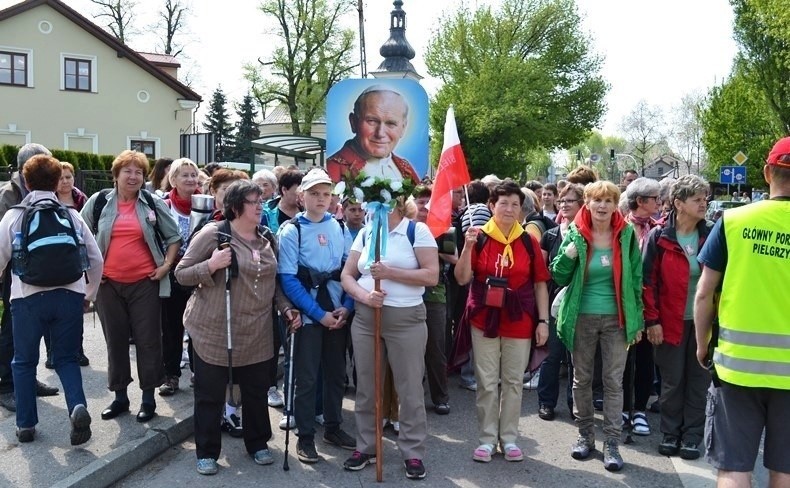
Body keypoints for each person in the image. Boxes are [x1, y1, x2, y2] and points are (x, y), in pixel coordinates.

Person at [175, 180, 300, 476]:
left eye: (261, 200)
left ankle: (257, 443)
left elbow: (275, 283)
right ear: (234, 207)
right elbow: (181, 274)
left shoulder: (268, 236)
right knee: (211, 393)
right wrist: (213, 265)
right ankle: (206, 451)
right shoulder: (213, 234)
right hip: (214, 329)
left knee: (256, 391)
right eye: (253, 202)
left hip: (256, 330)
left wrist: (286, 309)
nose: (260, 206)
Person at [694, 137, 790, 488]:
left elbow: (704, 293)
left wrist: (703, 344)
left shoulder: (733, 221)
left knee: (733, 469)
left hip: (737, 367)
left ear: (767, 172)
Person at [0, 154, 103, 444]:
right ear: (58, 181)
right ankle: (77, 406)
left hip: (27, 298)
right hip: (69, 296)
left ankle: (26, 425)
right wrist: (89, 293)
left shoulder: (15, 215)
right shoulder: (70, 214)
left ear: (26, 180)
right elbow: (95, 258)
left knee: (23, 362)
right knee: (67, 359)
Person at [340, 194, 439, 480]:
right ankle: (367, 446)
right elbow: (347, 275)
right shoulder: (367, 231)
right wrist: (365, 296)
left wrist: (390, 273)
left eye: (381, 201)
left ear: (397, 202)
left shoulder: (415, 230)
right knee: (367, 386)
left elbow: (431, 275)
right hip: (366, 318)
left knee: (409, 388)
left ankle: (413, 452)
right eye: (371, 202)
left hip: (405, 320)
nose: (374, 208)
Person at [81, 150, 181, 424]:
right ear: (116, 175)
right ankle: (120, 398)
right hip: (108, 284)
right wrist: (90, 269)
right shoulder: (99, 201)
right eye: (128, 171)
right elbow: (80, 235)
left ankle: (148, 399)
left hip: (144, 283)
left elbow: (174, 237)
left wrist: (166, 266)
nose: (134, 176)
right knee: (115, 340)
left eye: (139, 172)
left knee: (149, 340)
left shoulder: (150, 202)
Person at [454, 180, 549, 464]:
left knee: (513, 382)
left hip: (519, 319)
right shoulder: (478, 236)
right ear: (491, 206)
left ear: (522, 209)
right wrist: (467, 247)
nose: (509, 209)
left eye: (515, 204)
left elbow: (540, 284)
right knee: (485, 381)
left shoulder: (528, 240)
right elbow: (461, 278)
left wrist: (543, 321)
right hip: (484, 317)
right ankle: (486, 439)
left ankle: (508, 439)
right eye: (503, 203)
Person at [551, 180, 643, 472]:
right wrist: (568, 256)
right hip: (582, 316)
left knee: (614, 381)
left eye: (608, 200)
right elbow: (558, 275)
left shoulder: (626, 235)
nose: (602, 206)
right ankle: (585, 436)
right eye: (597, 200)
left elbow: (637, 281)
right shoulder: (577, 233)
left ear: (616, 205)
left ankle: (612, 443)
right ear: (587, 204)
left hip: (617, 319)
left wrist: (638, 320)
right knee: (582, 379)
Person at [277, 168, 356, 463]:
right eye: (314, 193)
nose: (321, 199)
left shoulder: (340, 227)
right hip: (311, 316)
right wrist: (318, 314)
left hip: (337, 313)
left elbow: (350, 270)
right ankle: (306, 436)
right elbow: (288, 279)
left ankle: (333, 426)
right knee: (306, 378)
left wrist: (346, 307)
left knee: (336, 374)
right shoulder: (291, 231)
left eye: (326, 193)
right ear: (301, 196)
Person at [641, 175, 711, 460]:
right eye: (697, 199)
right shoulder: (659, 236)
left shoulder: (713, 234)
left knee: (698, 381)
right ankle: (670, 433)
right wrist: (651, 320)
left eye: (705, 198)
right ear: (678, 203)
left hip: (703, 323)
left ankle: (692, 437)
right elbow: (647, 282)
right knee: (672, 382)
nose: (703, 203)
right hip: (668, 322)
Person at [0, 143, 60, 413]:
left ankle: (26, 379)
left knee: (31, 331)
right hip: (13, 273)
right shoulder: (8, 195)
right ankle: (7, 386)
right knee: (12, 329)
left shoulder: (41, 191)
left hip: (38, 272)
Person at [537, 183, 585, 420]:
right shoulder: (551, 235)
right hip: (555, 303)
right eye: (562, 200)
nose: (564, 205)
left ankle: (575, 405)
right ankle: (546, 402)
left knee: (576, 358)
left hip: (581, 303)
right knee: (552, 355)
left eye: (570, 201)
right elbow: (541, 273)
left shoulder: (589, 236)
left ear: (582, 205)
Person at [621, 177, 661, 436]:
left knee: (646, 359)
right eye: (655, 198)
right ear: (640, 201)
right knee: (622, 361)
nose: (659, 203)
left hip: (648, 305)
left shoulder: (658, 230)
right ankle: (623, 409)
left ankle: (639, 410)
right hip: (623, 305)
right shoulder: (620, 229)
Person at [159, 158, 202, 397]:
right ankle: (171, 375)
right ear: (173, 179)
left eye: (193, 175)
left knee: (198, 327)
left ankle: (199, 372)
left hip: (199, 274)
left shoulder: (205, 203)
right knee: (171, 327)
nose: (190, 179)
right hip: (172, 273)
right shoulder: (164, 205)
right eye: (184, 175)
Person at [326, 86, 419, 184]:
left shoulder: (406, 170)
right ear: (353, 122)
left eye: (391, 123)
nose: (380, 133)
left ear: (403, 128)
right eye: (372, 121)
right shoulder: (332, 169)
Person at [45, 161, 89, 368]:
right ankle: (52, 352)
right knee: (51, 309)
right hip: (52, 261)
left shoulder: (83, 201)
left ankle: (77, 350)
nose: (65, 181)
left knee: (75, 308)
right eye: (60, 178)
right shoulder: (47, 202)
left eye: (68, 177)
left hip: (77, 262)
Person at [413, 186, 452, 415]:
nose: (425, 209)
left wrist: (432, 249)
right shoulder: (404, 228)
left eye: (429, 205)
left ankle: (440, 397)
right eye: (421, 204)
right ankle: (413, 397)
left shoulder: (443, 230)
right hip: (407, 295)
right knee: (410, 351)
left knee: (435, 347)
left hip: (434, 295)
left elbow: (454, 258)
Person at [261, 169, 302, 235]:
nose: (301, 195)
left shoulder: (308, 211)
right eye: (298, 191)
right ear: (284, 190)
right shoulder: (266, 214)